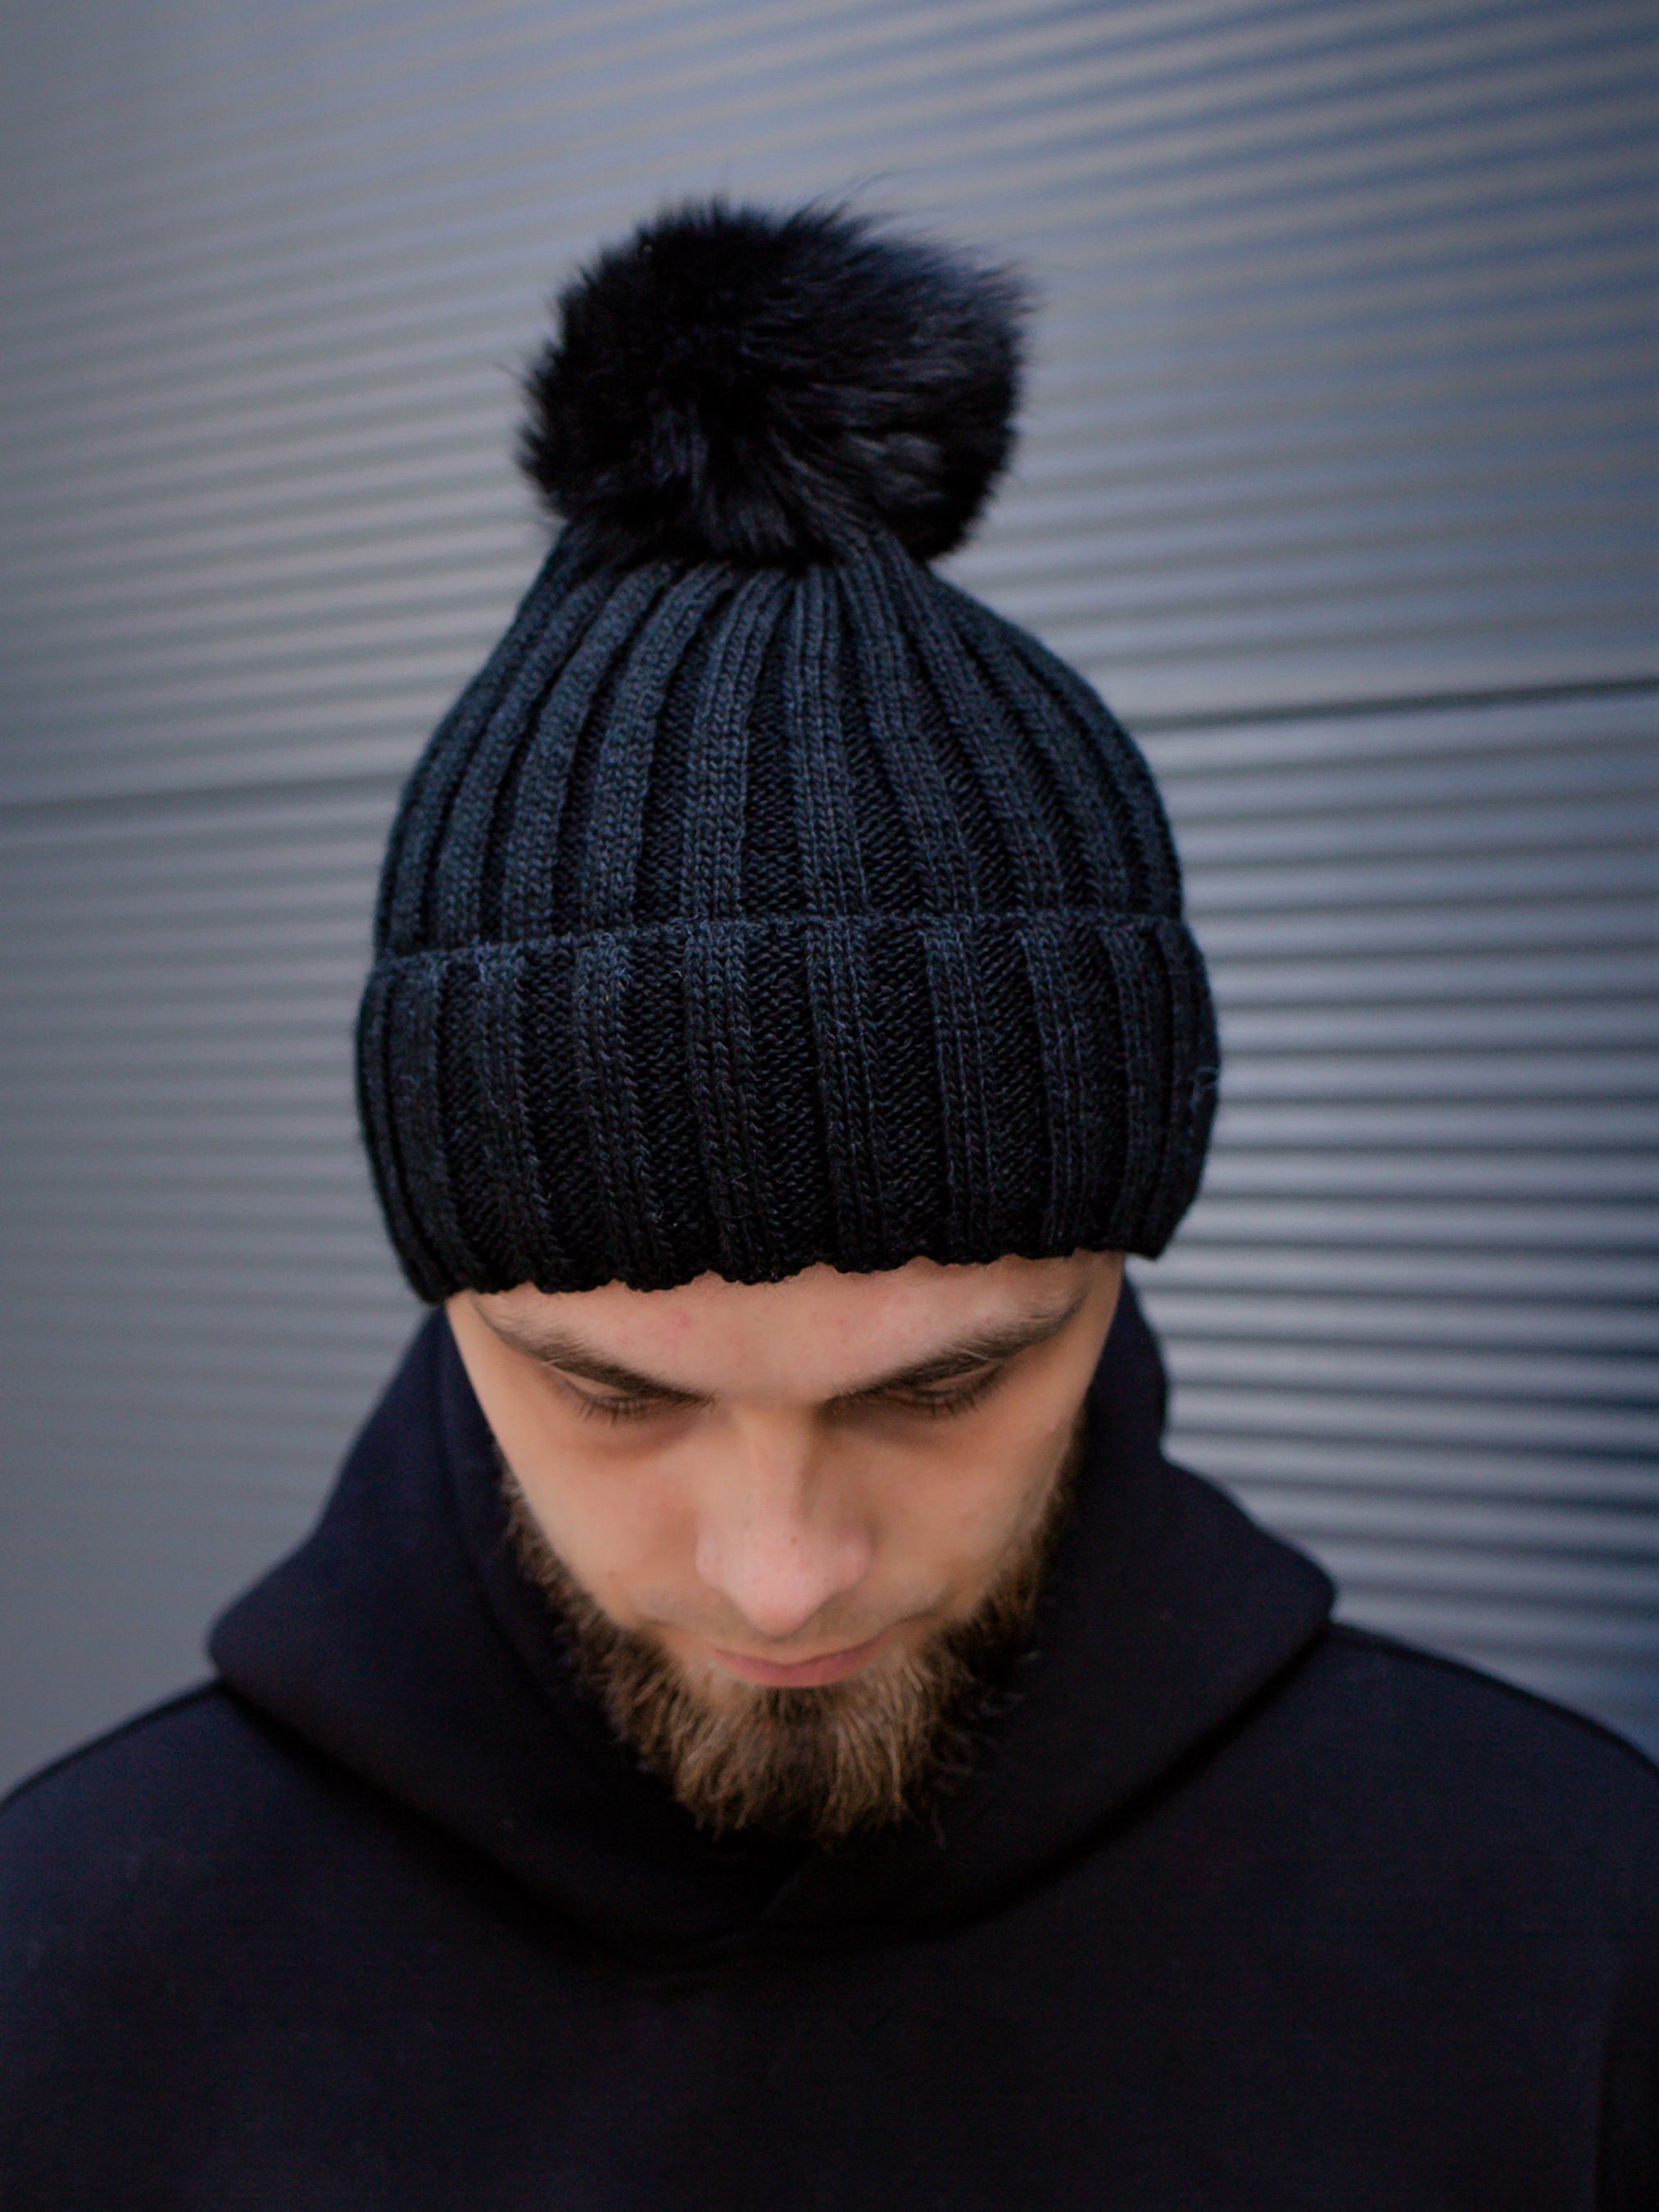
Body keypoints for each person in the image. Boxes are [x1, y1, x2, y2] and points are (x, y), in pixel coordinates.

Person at [2, 200, 1654, 2210]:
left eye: (939, 1388)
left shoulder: (1557, 1944)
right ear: (448, 1297)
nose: (781, 1579)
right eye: (612, 1396)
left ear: (1115, 1265)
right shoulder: (70, 1990)